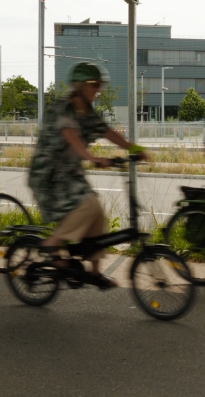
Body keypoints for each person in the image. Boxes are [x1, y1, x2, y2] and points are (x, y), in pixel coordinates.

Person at [28, 63, 147, 289]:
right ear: (80, 86)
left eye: (99, 85)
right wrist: (92, 158)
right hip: (49, 175)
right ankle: (52, 244)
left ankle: (94, 272)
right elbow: (70, 136)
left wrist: (133, 149)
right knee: (86, 205)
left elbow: (108, 132)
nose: (98, 90)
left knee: (97, 212)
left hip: (70, 174)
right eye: (94, 85)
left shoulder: (87, 112)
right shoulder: (64, 108)